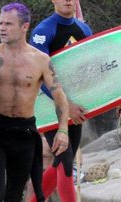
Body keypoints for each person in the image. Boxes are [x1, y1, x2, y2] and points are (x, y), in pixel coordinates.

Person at [0, 2, 70, 202]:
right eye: (0, 23)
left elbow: (59, 96)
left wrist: (63, 130)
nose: (2, 28)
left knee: (15, 195)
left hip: (24, 132)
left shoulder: (41, 60)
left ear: (24, 26)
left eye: (8, 24)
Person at [28, 0, 92, 201]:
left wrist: (115, 100)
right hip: (49, 106)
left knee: (62, 161)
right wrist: (66, 106)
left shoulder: (83, 28)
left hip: (75, 105)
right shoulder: (43, 31)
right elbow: (40, 75)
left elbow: (97, 67)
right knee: (64, 160)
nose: (67, 0)